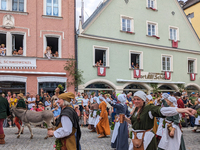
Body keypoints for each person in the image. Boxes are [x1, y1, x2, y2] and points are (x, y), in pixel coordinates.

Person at [124, 91, 196, 150]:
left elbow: (162, 110)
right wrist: (125, 119)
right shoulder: (136, 109)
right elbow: (134, 123)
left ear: (143, 100)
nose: (136, 101)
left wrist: (183, 110)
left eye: (138, 99)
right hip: (136, 138)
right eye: (134, 99)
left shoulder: (149, 108)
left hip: (146, 138)